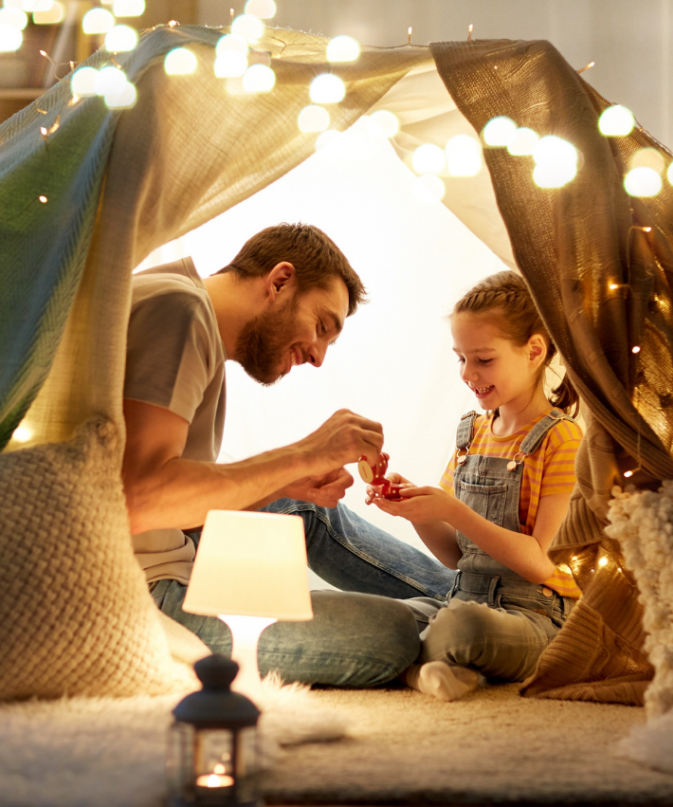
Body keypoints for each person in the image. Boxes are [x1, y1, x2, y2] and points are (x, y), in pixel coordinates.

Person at [122, 222, 455, 687]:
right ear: (279, 281)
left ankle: (470, 602)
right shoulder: (179, 312)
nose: (318, 357)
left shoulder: (176, 298)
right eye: (322, 326)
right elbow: (139, 500)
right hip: (144, 592)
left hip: (166, 550)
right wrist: (304, 453)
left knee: (299, 507)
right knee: (393, 633)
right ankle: (475, 616)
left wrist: (285, 483)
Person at [369, 271, 583, 701]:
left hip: (533, 616)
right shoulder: (471, 433)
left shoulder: (562, 439)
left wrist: (453, 510)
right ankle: (428, 666)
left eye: (483, 359)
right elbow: (454, 555)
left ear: (534, 351)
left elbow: (544, 564)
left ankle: (411, 669)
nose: (468, 373)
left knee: (461, 627)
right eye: (460, 358)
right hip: (460, 597)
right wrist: (415, 510)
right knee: (375, 619)